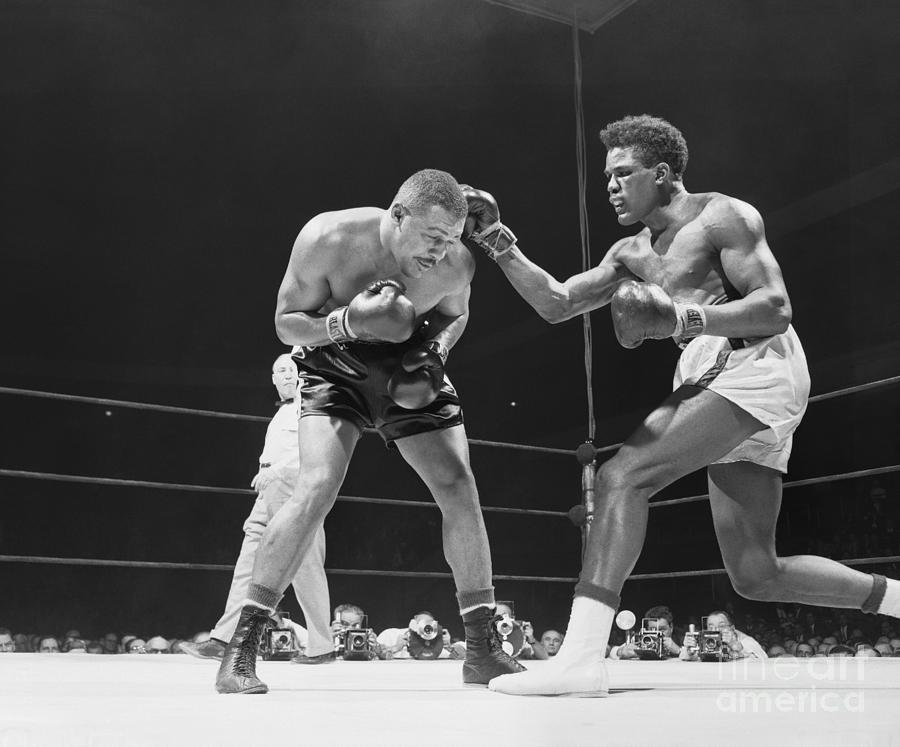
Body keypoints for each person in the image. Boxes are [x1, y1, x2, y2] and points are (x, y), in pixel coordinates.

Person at [460, 114, 900, 696]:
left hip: (753, 362)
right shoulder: (629, 252)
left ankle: (583, 658)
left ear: (663, 173)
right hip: (713, 368)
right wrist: (496, 238)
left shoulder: (723, 216)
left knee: (622, 476)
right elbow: (558, 302)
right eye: (607, 177)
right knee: (756, 574)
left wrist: (680, 317)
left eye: (624, 173)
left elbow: (775, 307)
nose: (611, 186)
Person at [215, 169, 523, 694]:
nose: (439, 252)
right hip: (333, 365)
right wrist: (347, 325)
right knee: (315, 487)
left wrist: (435, 353)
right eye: (431, 238)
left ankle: (481, 650)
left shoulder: (457, 262)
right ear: (397, 216)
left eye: (451, 239)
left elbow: (456, 313)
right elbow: (287, 322)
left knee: (459, 486)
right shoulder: (328, 238)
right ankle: (241, 650)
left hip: (407, 367)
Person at [181, 354, 333, 664]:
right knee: (248, 562)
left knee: (306, 566)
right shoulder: (282, 414)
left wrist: (277, 472)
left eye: (292, 370)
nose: (288, 375)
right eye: (281, 370)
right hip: (268, 491)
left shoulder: (310, 406)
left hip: (295, 489)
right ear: (273, 379)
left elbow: (314, 454)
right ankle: (223, 638)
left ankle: (321, 646)